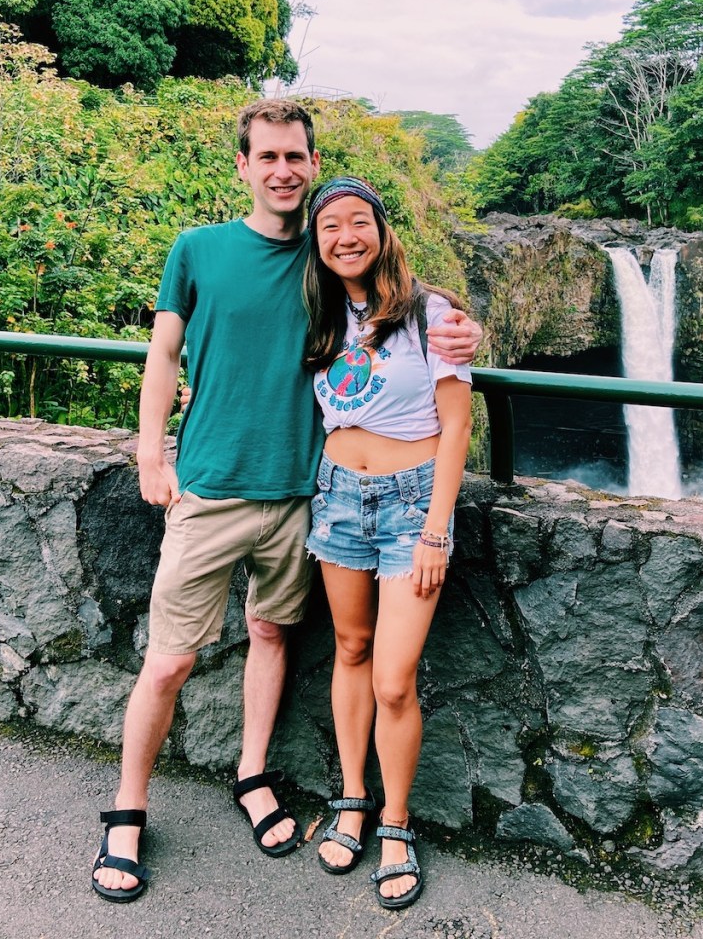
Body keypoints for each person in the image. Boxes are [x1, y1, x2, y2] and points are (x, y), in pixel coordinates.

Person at [91, 101, 482, 903]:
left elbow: (399, 293)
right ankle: (126, 811)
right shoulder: (199, 250)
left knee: (273, 633)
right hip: (217, 486)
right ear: (242, 166)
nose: (282, 170)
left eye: (295, 156)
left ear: (310, 163)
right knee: (169, 658)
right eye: (266, 156)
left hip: (307, 495)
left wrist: (463, 330)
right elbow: (164, 351)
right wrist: (149, 448)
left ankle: (257, 777)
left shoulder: (325, 256)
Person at [302, 177, 473, 911]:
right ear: (316, 240)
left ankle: (396, 825)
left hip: (411, 508)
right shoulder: (314, 311)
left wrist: (437, 526)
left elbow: (457, 424)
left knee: (394, 678)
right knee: (349, 648)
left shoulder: (431, 314)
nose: (346, 235)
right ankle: (351, 797)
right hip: (338, 496)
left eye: (359, 222)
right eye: (330, 225)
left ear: (382, 228)